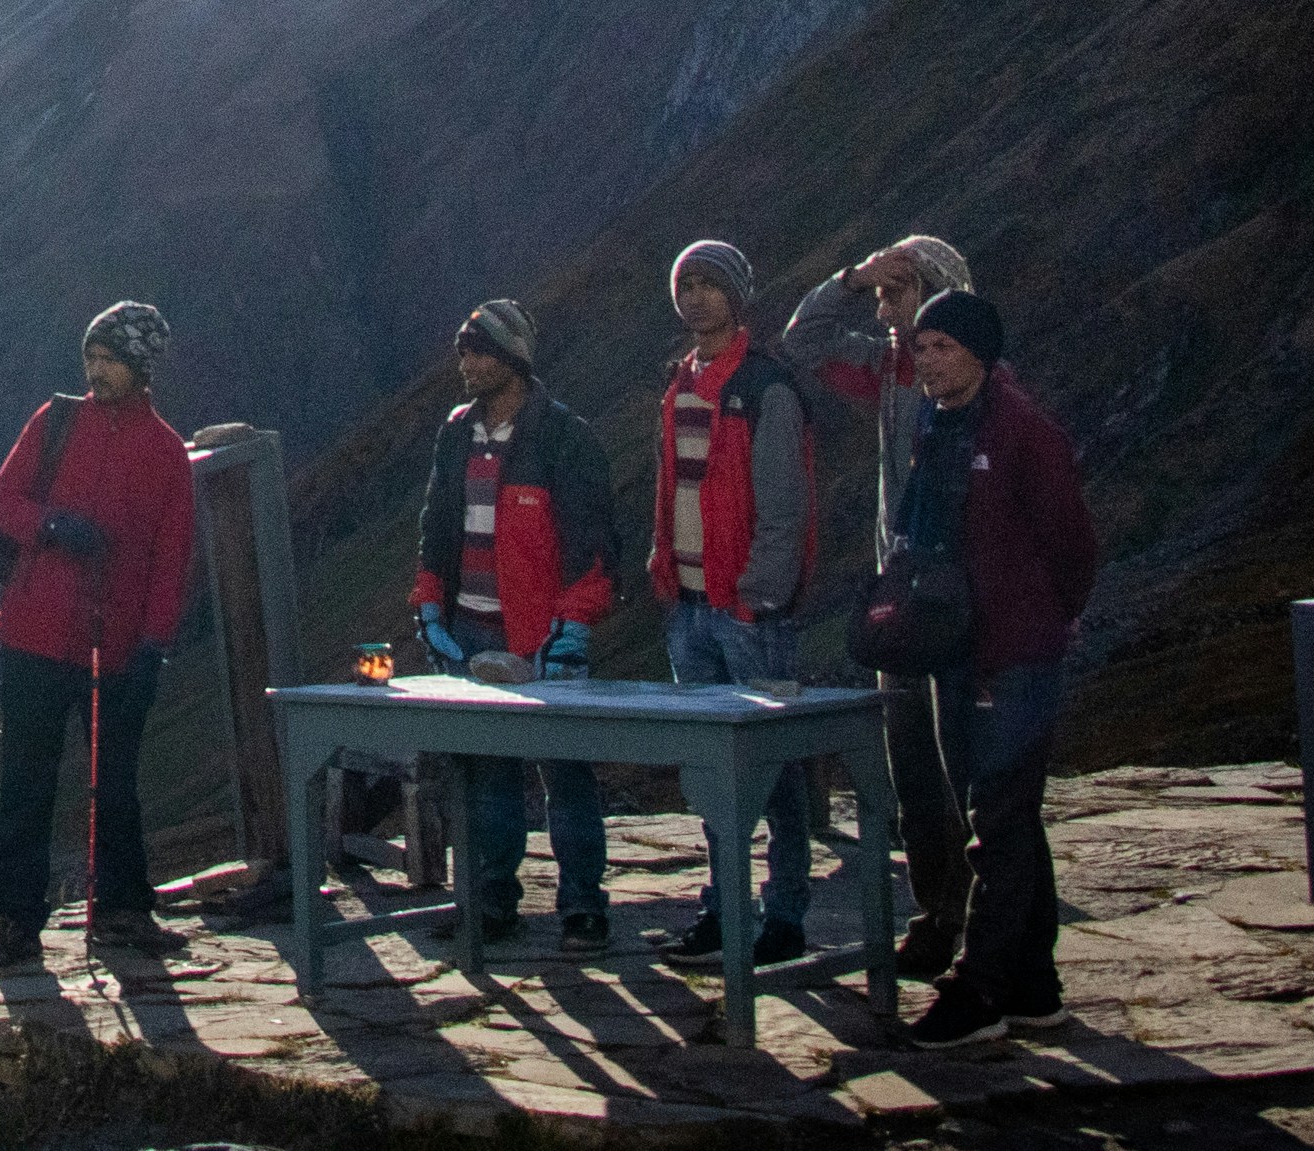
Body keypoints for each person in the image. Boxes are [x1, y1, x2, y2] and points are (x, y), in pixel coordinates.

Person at [900, 287, 1100, 1050]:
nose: (927, 360)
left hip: (1012, 654)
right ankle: (1034, 987)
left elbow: (1071, 544)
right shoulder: (935, 424)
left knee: (999, 818)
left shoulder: (1024, 432)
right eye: (920, 347)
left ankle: (979, 988)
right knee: (1003, 818)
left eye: (942, 346)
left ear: (981, 352)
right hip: (948, 649)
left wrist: (1045, 619)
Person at [0, 300, 199, 969]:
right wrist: (51, 526)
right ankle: (16, 920)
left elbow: (171, 556)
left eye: (110, 360)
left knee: (116, 779)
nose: (96, 371)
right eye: (91, 358)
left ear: (141, 366)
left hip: (116, 642)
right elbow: (2, 501)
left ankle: (123, 909)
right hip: (35, 633)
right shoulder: (56, 419)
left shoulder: (165, 451)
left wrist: (154, 642)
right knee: (26, 780)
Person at [785, 233, 979, 978]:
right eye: (882, 297)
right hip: (902, 599)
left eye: (901, 293)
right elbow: (805, 342)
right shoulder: (887, 368)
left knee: (971, 770)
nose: (886, 310)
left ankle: (987, 927)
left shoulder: (978, 393)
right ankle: (938, 915)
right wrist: (851, 276)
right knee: (914, 768)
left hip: (960, 604)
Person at [407, 298, 622, 954]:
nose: (467, 363)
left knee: (565, 772)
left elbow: (592, 541)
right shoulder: (455, 433)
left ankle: (583, 903)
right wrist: (430, 603)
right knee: (484, 774)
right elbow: (435, 525)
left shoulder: (563, 436)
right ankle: (493, 899)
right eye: (464, 351)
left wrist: (574, 624)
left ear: (514, 358)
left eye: (480, 350)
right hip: (471, 628)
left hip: (541, 634)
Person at [650, 239, 816, 964]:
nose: (697, 298)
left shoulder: (765, 386)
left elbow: (785, 506)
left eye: (712, 284)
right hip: (688, 604)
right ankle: (722, 909)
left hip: (743, 609)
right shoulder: (679, 383)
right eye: (688, 284)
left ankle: (783, 917)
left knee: (773, 774)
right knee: (714, 777)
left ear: (739, 295)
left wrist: (758, 595)